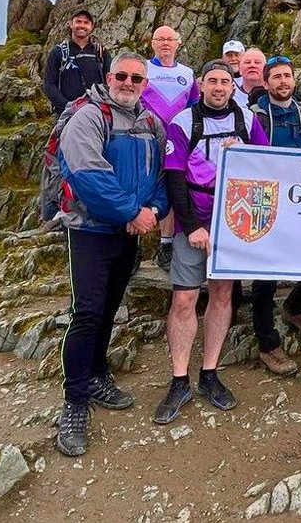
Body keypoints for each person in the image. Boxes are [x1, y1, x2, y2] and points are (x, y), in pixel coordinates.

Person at [51, 51, 167, 456]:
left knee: (109, 307)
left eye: (137, 79)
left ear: (146, 84)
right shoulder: (88, 117)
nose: (129, 84)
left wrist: (153, 209)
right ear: (109, 75)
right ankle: (75, 401)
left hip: (128, 232)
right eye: (122, 76)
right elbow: (88, 176)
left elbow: (160, 177)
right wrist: (132, 213)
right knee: (86, 313)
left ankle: (98, 374)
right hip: (90, 231)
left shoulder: (152, 123)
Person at [156, 61, 269, 424]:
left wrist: (245, 156)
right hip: (195, 219)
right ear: (201, 84)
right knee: (185, 298)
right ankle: (178, 380)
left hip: (232, 221)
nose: (219, 87)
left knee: (222, 295)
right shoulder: (183, 123)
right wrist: (190, 227)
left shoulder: (249, 121)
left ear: (233, 86)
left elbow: (267, 167)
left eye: (225, 82)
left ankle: (209, 373)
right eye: (213, 81)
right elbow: (173, 178)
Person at [247, 55, 301, 375]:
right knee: (264, 276)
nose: (282, 82)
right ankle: (268, 343)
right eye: (276, 77)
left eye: (287, 76)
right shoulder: (252, 117)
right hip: (265, 202)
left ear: (294, 81)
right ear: (265, 83)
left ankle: (294, 307)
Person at [142, 25, 201, 272]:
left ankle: (166, 244)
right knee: (143, 187)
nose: (165, 43)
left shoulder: (187, 73)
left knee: (173, 187)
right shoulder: (143, 68)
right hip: (146, 137)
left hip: (178, 141)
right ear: (152, 43)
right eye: (160, 39)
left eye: (170, 39)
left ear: (178, 43)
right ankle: (135, 242)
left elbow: (195, 105)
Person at [43, 8, 112, 116]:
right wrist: (68, 106)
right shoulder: (58, 52)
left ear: (92, 26)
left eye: (86, 23)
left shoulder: (102, 53)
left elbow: (111, 83)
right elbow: (48, 85)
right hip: (67, 115)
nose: (82, 25)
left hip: (97, 114)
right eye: (78, 21)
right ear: (70, 24)